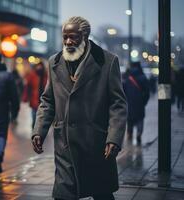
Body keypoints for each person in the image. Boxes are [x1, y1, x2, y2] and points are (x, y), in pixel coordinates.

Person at [31, 17, 127, 200]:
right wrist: (38, 131)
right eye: (65, 37)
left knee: (102, 194)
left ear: (85, 36)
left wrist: (114, 138)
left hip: (96, 143)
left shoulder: (107, 61)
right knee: (63, 194)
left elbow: (118, 104)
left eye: (73, 37)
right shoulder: (54, 62)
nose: (68, 42)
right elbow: (47, 100)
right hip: (65, 144)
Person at [123, 61, 150, 144]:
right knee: (140, 119)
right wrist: (143, 102)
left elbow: (123, 91)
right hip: (140, 103)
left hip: (129, 102)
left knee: (130, 120)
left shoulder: (127, 76)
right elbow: (147, 92)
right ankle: (139, 133)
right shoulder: (143, 77)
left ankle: (129, 134)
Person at [22, 61, 47, 128]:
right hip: (34, 99)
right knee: (34, 115)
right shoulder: (32, 75)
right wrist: (25, 97)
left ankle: (38, 129)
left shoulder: (45, 76)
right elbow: (28, 87)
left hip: (43, 100)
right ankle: (34, 128)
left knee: (41, 116)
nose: (39, 68)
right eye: (38, 66)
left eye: (40, 66)